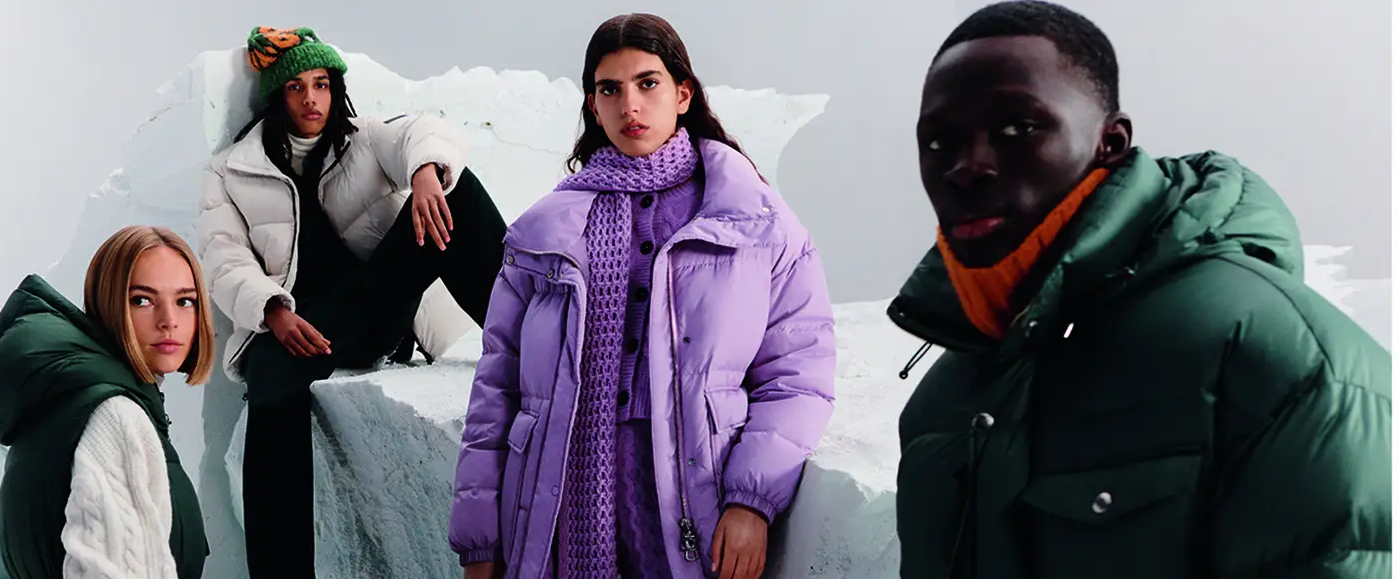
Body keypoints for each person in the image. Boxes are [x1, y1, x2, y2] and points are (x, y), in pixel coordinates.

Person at [889, 2, 1392, 577]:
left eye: (1017, 128)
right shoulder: (943, 398)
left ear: (1111, 142)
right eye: (939, 142)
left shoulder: (1275, 363)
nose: (966, 166)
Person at [447, 13, 838, 579]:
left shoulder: (753, 222)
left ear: (683, 94)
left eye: (647, 83)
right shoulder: (542, 236)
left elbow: (797, 374)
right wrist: (480, 543)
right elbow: (496, 391)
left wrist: (752, 501)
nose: (629, 105)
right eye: (610, 89)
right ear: (592, 105)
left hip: (695, 504)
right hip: (560, 512)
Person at [196, 25, 509, 576]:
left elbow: (421, 131)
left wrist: (425, 171)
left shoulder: (363, 137)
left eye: (321, 84)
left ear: (335, 89)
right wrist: (272, 309)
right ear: (277, 96)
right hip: (304, 324)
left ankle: (532, 338)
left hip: (377, 306)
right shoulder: (231, 171)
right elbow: (224, 258)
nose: (311, 99)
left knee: (454, 191)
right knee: (270, 385)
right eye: (296, 87)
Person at [0, 225, 214, 579]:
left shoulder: (66, 408)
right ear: (107, 303)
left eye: (185, 301)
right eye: (142, 300)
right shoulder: (114, 416)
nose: (169, 321)